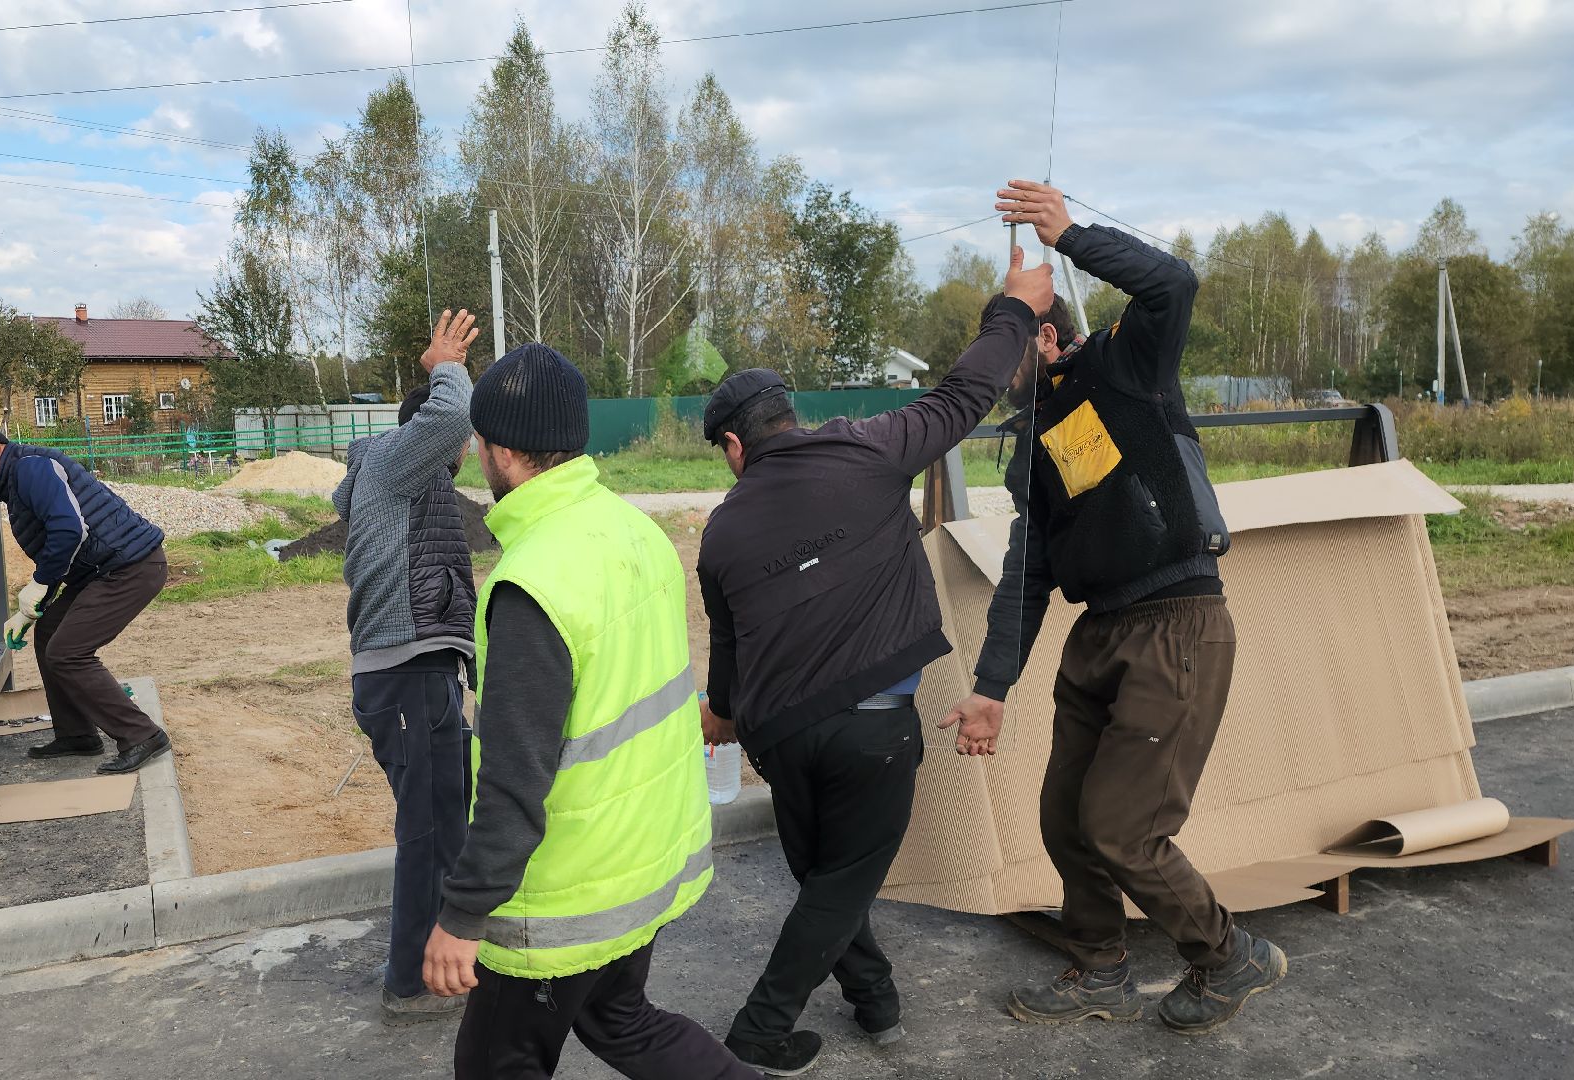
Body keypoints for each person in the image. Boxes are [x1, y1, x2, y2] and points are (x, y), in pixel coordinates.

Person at [696, 252, 1055, 1074]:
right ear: (790, 414)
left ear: (733, 445)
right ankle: (761, 1029)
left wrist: (719, 711)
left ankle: (874, 999)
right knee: (840, 882)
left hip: (779, 736)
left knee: (828, 877)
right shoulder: (871, 448)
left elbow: (728, 641)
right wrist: (1011, 309)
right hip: (872, 731)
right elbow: (966, 394)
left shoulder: (722, 530)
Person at [944, 179, 1286, 1036]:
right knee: (1067, 819)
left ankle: (1227, 956)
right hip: (1099, 634)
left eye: (1010, 341)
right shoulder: (1032, 445)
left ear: (1047, 334)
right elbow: (1028, 571)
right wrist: (991, 686)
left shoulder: (1125, 367)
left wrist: (1069, 235)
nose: (997, 366)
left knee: (1123, 828)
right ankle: (1099, 969)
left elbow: (1174, 284)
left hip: (1178, 623)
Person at [420, 343, 755, 1080]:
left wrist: (462, 916)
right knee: (622, 1021)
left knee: (494, 1066)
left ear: (499, 451)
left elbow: (513, 776)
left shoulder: (532, 581)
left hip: (565, 897)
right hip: (642, 860)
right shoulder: (632, 529)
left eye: (479, 443)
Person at [333, 309, 481, 1026]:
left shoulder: (396, 479)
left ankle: (448, 954)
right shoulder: (397, 461)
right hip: (406, 675)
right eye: (460, 445)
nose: (468, 452)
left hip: (416, 675)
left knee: (447, 820)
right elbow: (452, 416)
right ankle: (409, 980)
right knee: (427, 832)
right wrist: (443, 365)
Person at [0, 415, 170, 775]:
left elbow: (69, 530)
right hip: (104, 569)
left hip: (130, 567)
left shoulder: (30, 468)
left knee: (68, 653)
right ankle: (77, 734)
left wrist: (38, 584)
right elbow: (59, 545)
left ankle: (141, 735)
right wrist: (31, 609)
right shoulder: (17, 479)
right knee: (49, 629)